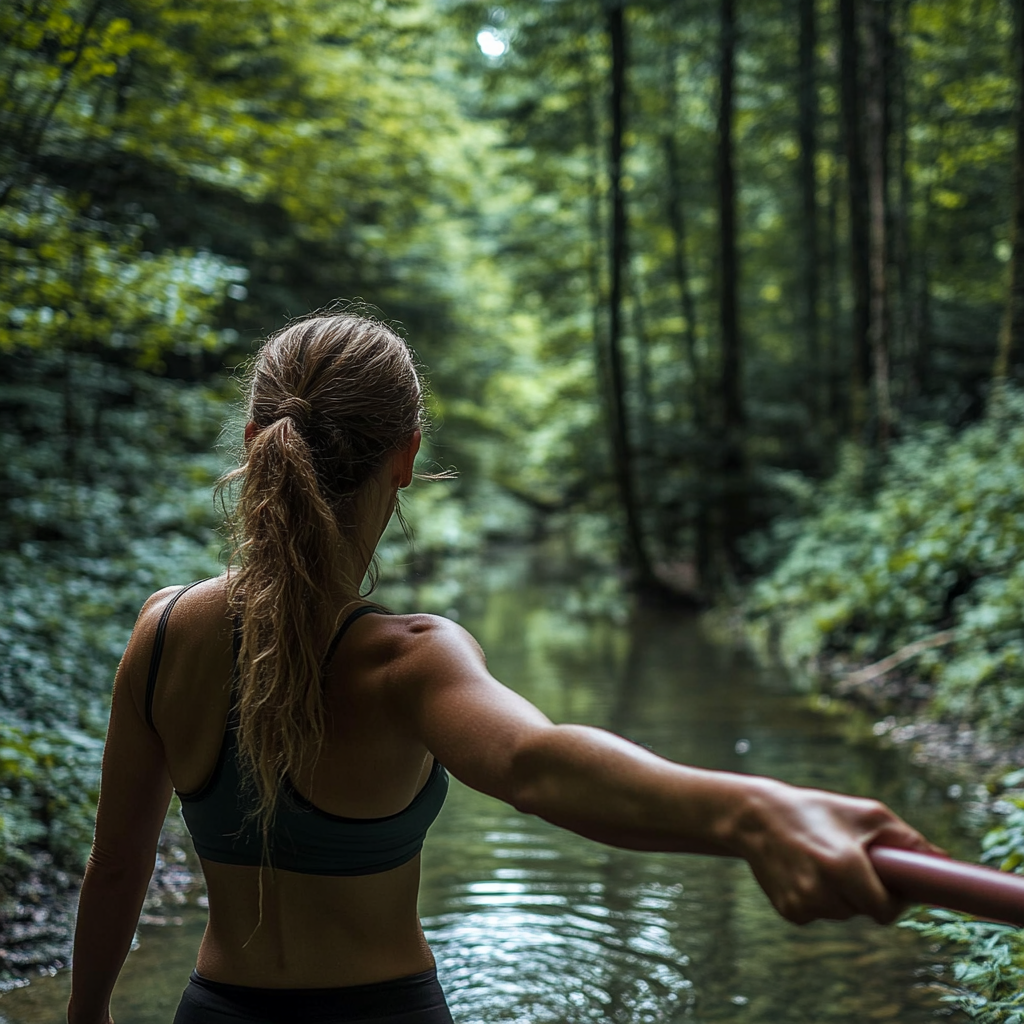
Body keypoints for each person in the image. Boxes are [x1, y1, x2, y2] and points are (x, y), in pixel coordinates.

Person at [67, 311, 940, 1024]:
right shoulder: (411, 660)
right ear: (406, 459)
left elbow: (117, 865)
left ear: (258, 439)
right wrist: (756, 811)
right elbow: (537, 764)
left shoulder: (163, 630)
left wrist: (87, 1014)